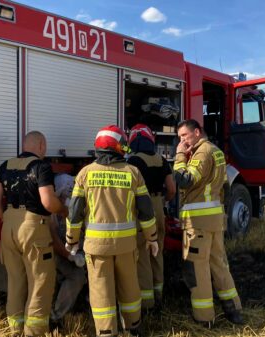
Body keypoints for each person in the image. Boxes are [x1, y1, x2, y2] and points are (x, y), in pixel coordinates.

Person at [65, 125, 158, 337]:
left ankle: (107, 332)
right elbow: (145, 210)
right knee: (130, 286)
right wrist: (152, 237)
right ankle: (133, 327)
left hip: (97, 248)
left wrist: (71, 241)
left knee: (101, 291)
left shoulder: (85, 174)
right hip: (126, 245)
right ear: (119, 147)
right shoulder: (133, 172)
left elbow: (75, 212)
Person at [0, 131, 68, 337]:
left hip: (8, 227)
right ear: (41, 145)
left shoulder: (5, 165)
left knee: (15, 280)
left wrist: (6, 219)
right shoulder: (41, 167)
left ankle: (15, 329)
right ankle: (34, 332)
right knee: (40, 282)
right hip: (33, 228)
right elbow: (48, 202)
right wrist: (64, 210)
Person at [173, 120, 243, 327]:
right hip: (214, 221)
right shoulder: (217, 152)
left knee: (197, 269)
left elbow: (185, 179)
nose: (182, 141)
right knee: (219, 264)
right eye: (179, 138)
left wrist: (178, 156)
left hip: (198, 223)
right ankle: (234, 311)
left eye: (184, 136)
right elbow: (225, 188)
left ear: (197, 132)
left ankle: (204, 319)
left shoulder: (202, 152)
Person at [126, 124, 176, 309]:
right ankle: (159, 294)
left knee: (143, 255)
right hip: (158, 206)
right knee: (157, 252)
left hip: (141, 209)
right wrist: (162, 202)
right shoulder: (162, 160)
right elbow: (171, 189)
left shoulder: (133, 161)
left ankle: (147, 303)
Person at [49, 173, 87, 330]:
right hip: (56, 254)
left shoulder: (78, 208)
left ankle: (85, 304)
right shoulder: (51, 212)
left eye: (72, 192)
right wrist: (71, 257)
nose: (70, 196)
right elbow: (53, 241)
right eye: (66, 193)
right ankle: (55, 317)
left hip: (73, 253)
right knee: (76, 277)